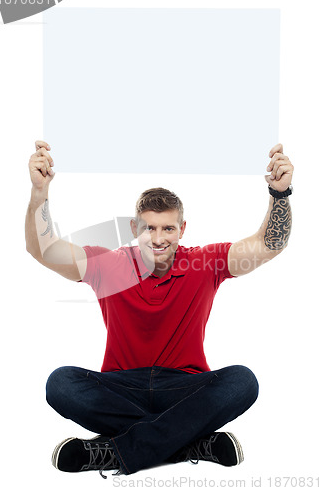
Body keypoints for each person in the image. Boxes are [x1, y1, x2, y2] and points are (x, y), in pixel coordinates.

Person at [25, 140, 293, 478]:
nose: (158, 237)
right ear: (135, 229)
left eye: (168, 228)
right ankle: (187, 443)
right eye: (149, 227)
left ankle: (115, 450)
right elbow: (44, 250)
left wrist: (279, 194)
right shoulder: (108, 265)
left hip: (185, 391)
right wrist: (39, 193)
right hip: (119, 388)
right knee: (60, 383)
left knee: (242, 381)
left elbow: (269, 244)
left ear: (181, 229)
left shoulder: (204, 263)